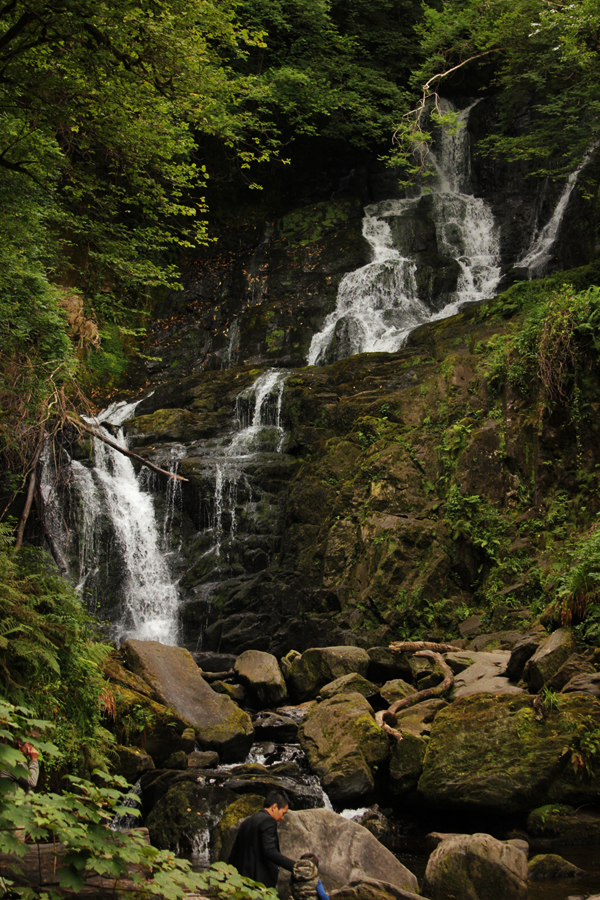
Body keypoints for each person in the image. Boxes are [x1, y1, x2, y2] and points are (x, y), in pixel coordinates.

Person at [229, 790, 295, 888]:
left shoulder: (246, 822)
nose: (282, 818)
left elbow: (234, 854)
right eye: (283, 813)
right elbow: (270, 851)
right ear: (274, 807)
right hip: (259, 884)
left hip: (241, 883)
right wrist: (294, 865)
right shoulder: (268, 821)